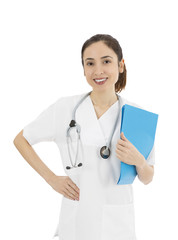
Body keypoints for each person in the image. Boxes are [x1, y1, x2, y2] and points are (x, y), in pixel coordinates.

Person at [13, 34, 155, 240]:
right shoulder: (65, 108)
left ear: (121, 65)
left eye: (106, 61)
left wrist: (139, 161)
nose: (98, 71)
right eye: (90, 63)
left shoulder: (138, 116)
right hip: (77, 218)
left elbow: (148, 177)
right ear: (84, 69)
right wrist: (51, 179)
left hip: (117, 224)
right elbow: (21, 140)